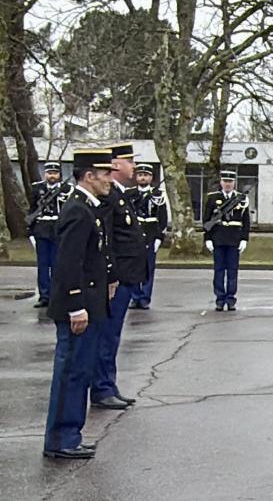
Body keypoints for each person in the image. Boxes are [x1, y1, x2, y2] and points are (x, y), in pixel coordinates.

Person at [43, 149, 116, 460]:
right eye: (105, 174)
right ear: (90, 175)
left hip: (90, 302)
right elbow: (69, 264)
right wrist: (76, 305)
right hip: (79, 305)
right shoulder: (77, 210)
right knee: (71, 372)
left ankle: (70, 434)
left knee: (80, 371)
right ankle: (61, 438)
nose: (110, 180)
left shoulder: (89, 208)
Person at [90, 143, 148, 411]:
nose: (134, 166)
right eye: (129, 162)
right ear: (115, 165)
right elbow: (107, 241)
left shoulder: (120, 194)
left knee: (113, 335)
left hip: (126, 277)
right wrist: (111, 275)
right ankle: (102, 388)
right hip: (117, 279)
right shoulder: (109, 197)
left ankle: (108, 385)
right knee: (107, 334)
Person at [204, 169, 250, 311]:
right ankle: (219, 298)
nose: (228, 184)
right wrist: (208, 238)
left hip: (234, 239)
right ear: (221, 182)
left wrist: (244, 239)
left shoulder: (241, 199)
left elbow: (246, 221)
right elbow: (207, 220)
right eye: (225, 181)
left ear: (234, 183)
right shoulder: (213, 198)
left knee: (232, 271)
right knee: (218, 270)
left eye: (230, 182)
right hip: (218, 238)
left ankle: (231, 299)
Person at [28, 161, 66, 308]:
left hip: (57, 229)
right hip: (41, 229)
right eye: (49, 173)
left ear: (59, 175)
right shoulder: (37, 188)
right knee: (43, 265)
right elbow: (32, 209)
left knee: (57, 264)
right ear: (45, 174)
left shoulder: (66, 189)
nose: (52, 176)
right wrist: (30, 231)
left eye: (55, 173)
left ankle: (56, 295)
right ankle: (44, 295)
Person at [130, 164, 168, 309]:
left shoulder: (158, 195)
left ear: (151, 178)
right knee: (133, 268)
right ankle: (135, 296)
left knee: (148, 268)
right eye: (140, 175)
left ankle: (145, 297)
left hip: (150, 235)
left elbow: (162, 218)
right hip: (134, 235)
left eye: (146, 175)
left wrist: (159, 237)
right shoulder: (130, 194)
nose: (143, 177)